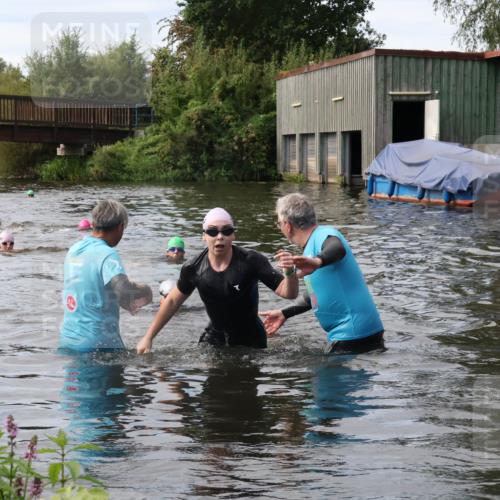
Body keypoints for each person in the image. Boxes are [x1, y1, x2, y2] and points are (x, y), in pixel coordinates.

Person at [137, 207, 299, 353]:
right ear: (204, 236)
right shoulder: (193, 268)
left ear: (233, 235)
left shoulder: (251, 261)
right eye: (213, 232)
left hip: (251, 338)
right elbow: (172, 301)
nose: (220, 236)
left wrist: (290, 272)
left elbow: (288, 293)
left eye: (226, 231)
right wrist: (148, 337)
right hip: (215, 336)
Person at [260, 193, 384, 354]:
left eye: (279, 224)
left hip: (352, 335)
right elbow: (315, 295)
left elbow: (337, 248)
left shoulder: (323, 236)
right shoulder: (311, 247)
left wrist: (317, 261)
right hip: (361, 332)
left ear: (287, 225)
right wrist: (285, 313)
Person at [60, 199, 152, 352]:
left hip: (68, 342)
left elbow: (89, 288)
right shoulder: (107, 254)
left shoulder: (74, 250)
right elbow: (124, 289)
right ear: (120, 227)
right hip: (99, 346)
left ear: (94, 224)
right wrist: (146, 291)